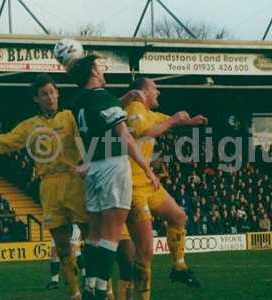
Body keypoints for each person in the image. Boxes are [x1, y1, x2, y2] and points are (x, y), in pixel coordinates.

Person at [0, 74, 88, 300]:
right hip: (48, 186)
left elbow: (89, 138)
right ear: (36, 99)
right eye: (44, 94)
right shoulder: (29, 126)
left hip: (75, 182)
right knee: (63, 248)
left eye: (52, 92)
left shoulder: (70, 118)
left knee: (90, 238)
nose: (49, 97)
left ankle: (103, 290)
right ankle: (74, 293)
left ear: (58, 94)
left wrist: (88, 163)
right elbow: (6, 143)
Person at [67, 54, 159, 300]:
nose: (103, 69)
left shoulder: (79, 102)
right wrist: (147, 168)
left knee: (95, 234)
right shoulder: (105, 99)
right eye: (99, 66)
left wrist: (123, 99)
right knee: (112, 235)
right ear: (94, 72)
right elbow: (125, 137)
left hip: (94, 169)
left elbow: (100, 117)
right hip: (113, 167)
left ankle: (90, 286)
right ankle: (98, 292)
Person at [123, 77, 207, 299]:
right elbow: (144, 133)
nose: (158, 92)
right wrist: (172, 122)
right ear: (143, 92)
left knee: (178, 216)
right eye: (154, 88)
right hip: (132, 186)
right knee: (145, 252)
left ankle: (179, 267)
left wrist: (187, 122)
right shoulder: (134, 109)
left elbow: (165, 120)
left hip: (149, 183)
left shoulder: (149, 114)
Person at [46, 224, 85, 290]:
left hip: (72, 226)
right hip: (58, 226)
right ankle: (54, 281)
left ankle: (85, 276)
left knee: (73, 252)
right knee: (54, 253)